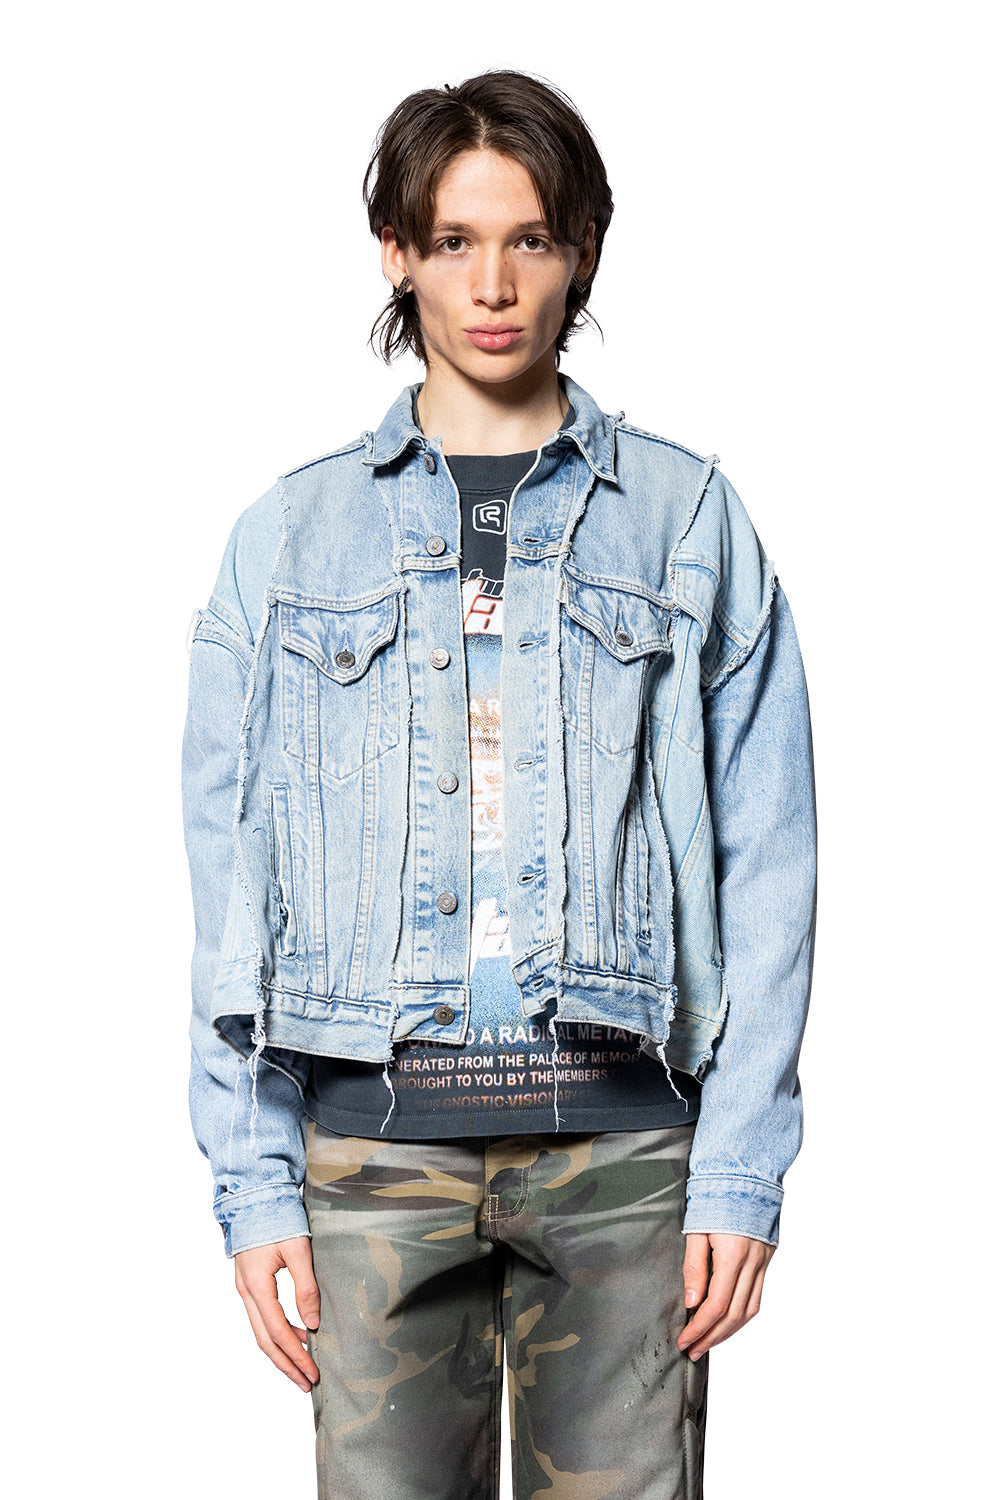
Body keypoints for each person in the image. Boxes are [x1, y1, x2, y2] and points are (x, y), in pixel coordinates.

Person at [181, 68, 817, 1500]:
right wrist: (254, 1179)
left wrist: (740, 1165)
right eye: (454, 240)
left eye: (529, 238)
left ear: (582, 248)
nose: (492, 284)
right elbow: (232, 877)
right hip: (372, 1158)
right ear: (395, 253)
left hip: (624, 1156)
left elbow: (771, 860)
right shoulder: (290, 541)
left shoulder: (686, 521)